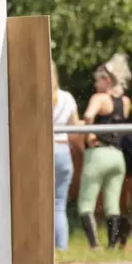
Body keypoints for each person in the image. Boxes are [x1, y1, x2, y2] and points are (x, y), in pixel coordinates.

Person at [77, 53, 132, 249]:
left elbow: (89, 117)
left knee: (85, 204)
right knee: (112, 206)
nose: (95, 85)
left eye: (97, 80)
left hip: (98, 154)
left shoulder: (99, 98)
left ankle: (94, 246)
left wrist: (87, 131)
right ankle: (111, 247)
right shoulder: (125, 102)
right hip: (117, 157)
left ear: (107, 80)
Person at [51, 59, 81, 251]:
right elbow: (75, 128)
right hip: (63, 150)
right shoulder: (67, 97)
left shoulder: (37, 94)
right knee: (59, 204)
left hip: (44, 149)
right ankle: (61, 248)